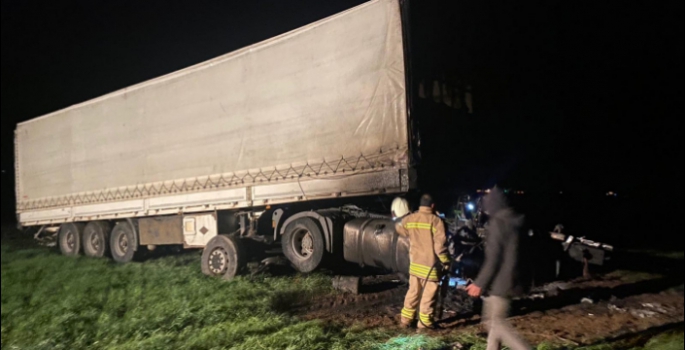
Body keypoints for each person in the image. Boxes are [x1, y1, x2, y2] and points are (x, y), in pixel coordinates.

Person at [466, 188, 531, 350]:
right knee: (494, 325)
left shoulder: (498, 223)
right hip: (516, 279)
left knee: (497, 324)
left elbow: (493, 258)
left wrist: (479, 283)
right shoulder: (517, 221)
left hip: (502, 282)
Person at [396, 194, 451, 330]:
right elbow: (439, 247)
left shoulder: (410, 218)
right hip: (430, 267)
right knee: (428, 296)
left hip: (415, 265)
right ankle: (425, 324)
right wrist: (446, 262)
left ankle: (405, 321)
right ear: (433, 206)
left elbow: (398, 227)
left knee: (413, 292)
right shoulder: (436, 221)